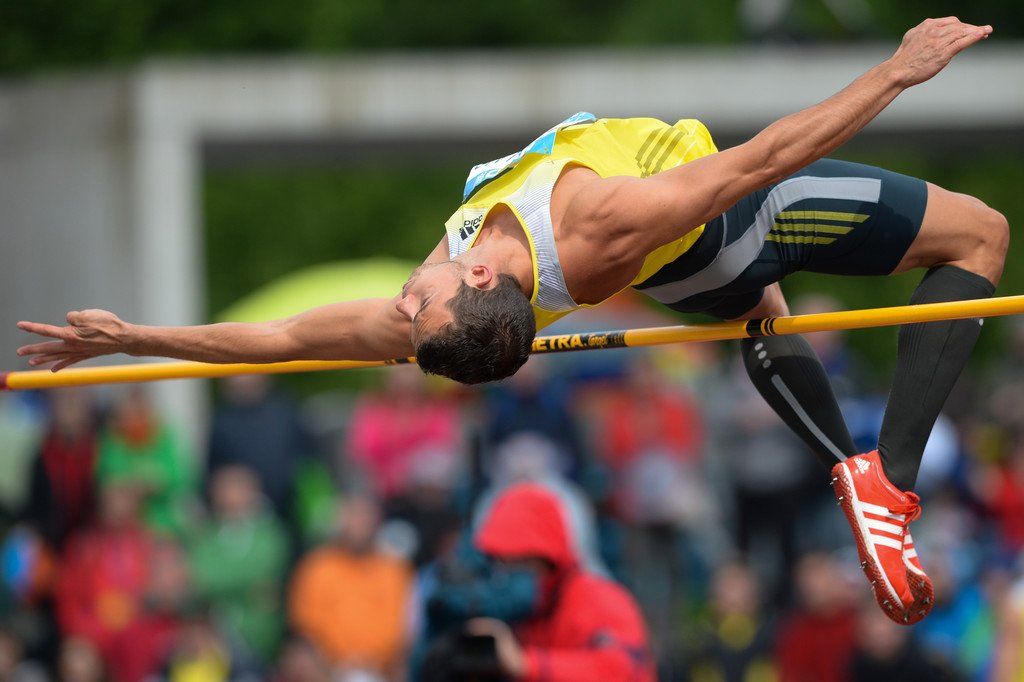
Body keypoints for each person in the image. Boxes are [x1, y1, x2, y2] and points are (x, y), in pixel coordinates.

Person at [16, 17, 1004, 625]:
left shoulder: (455, 293)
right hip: (739, 219)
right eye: (418, 301)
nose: (403, 300)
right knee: (979, 237)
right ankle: (890, 478)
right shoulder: (596, 221)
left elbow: (278, 342)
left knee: (765, 319)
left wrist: (135, 337)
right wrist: (896, 71)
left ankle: (851, 472)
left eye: (411, 303)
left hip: (694, 280)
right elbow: (765, 158)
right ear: (481, 276)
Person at [462, 483, 653, 681]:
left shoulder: (600, 600)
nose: (511, 574)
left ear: (550, 558)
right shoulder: (516, 613)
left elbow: (621, 671)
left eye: (523, 562)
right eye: (503, 563)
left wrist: (525, 664)